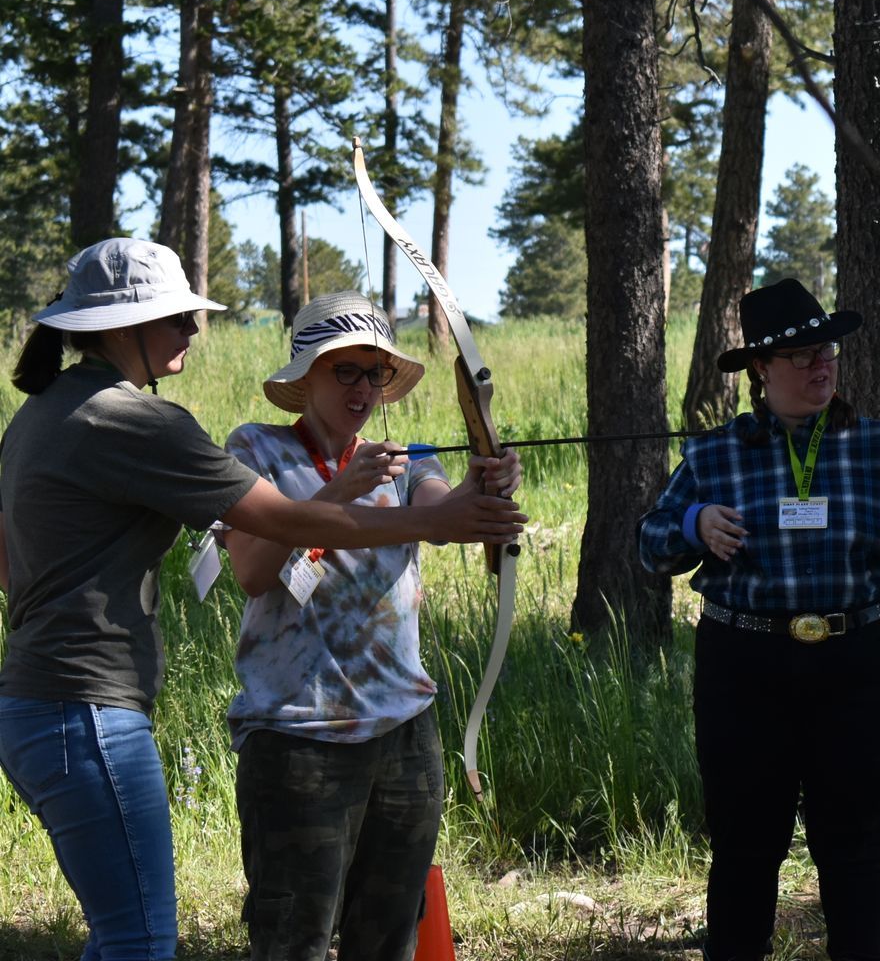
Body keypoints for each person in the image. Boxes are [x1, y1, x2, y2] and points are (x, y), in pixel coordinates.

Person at [0, 239, 525, 961]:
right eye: (177, 317)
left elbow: (10, 564)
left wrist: (475, 494)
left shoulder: (43, 412)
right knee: (147, 940)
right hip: (96, 708)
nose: (192, 330)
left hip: (52, 700)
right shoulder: (136, 421)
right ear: (126, 327)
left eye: (377, 374)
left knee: (143, 936)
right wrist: (423, 517)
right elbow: (263, 542)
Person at [637, 278, 880, 961]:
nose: (821, 365)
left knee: (856, 849)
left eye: (827, 351)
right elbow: (651, 543)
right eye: (802, 355)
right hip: (744, 670)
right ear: (760, 371)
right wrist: (695, 521)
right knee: (746, 850)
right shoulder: (716, 455)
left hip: (856, 665)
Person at [218, 291, 522, 961]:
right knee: (292, 933)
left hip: (404, 733)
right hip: (298, 734)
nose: (363, 389)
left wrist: (491, 479)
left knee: (387, 936)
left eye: (375, 372)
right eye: (345, 371)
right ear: (306, 377)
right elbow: (251, 570)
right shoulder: (256, 449)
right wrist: (339, 492)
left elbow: (447, 513)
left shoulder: (408, 458)